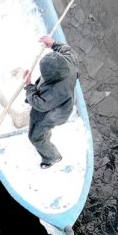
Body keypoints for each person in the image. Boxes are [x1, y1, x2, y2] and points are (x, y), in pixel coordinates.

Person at [24, 35, 79, 169]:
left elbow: (40, 104)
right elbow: (67, 49)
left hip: (51, 115)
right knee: (43, 132)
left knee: (35, 137)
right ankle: (46, 135)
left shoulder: (56, 91)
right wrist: (53, 44)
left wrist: (29, 86)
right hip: (62, 103)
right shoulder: (69, 60)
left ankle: (52, 157)